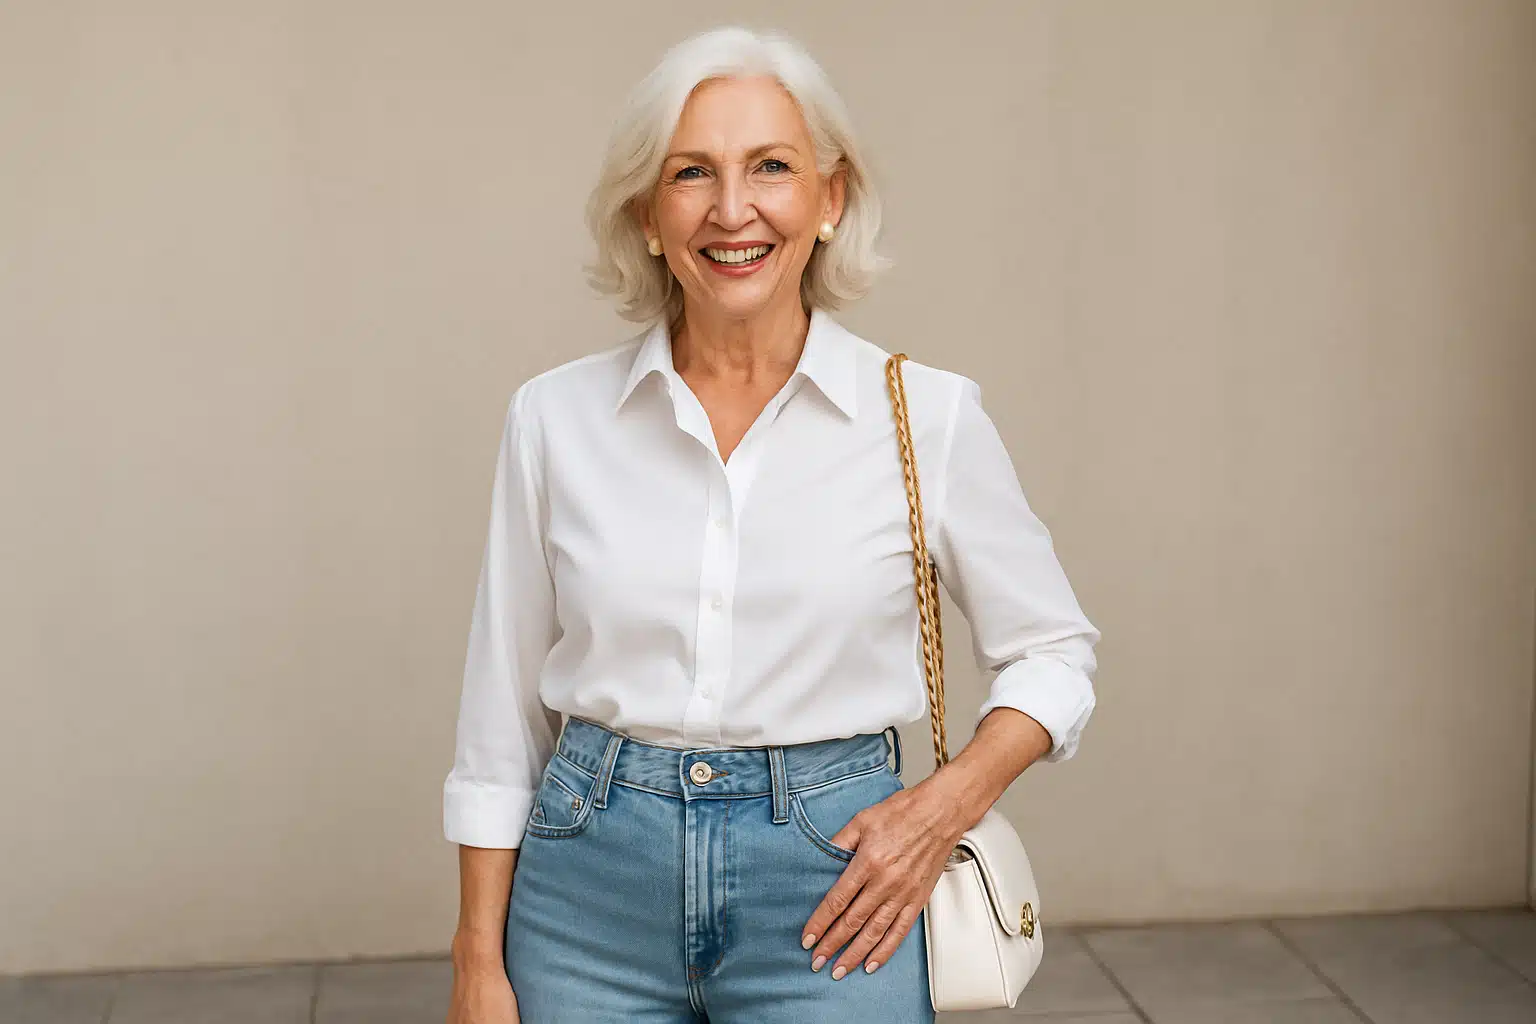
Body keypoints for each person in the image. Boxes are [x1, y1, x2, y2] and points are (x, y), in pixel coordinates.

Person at [442, 25, 1100, 1024]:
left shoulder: (926, 416)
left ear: (830, 198)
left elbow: (1053, 653)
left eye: (772, 167)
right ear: (648, 215)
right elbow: (501, 717)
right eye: (691, 172)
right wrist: (475, 959)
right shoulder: (555, 418)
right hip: (587, 898)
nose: (732, 208)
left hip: (840, 892)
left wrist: (942, 809)